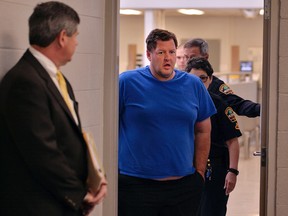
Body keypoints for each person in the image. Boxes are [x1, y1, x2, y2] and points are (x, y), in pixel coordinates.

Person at [0, 2, 107, 216]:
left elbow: (69, 139)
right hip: (38, 205)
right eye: (75, 36)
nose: (77, 43)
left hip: (59, 200)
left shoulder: (56, 78)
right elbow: (41, 151)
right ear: (62, 37)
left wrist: (92, 178)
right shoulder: (25, 81)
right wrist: (78, 194)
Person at [118, 28, 217, 216]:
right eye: (161, 52)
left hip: (183, 186)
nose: (168, 58)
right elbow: (108, 127)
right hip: (135, 186)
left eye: (172, 52)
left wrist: (199, 173)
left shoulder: (193, 84)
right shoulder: (127, 82)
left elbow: (203, 130)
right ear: (149, 54)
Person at [185, 57, 242, 216]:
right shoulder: (181, 104)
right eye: (193, 79)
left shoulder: (219, 104)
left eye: (203, 78)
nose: (198, 84)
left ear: (210, 79)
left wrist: (233, 171)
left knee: (212, 210)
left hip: (215, 169)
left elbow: (232, 141)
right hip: (187, 168)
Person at [183, 38, 260, 117]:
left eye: (193, 57)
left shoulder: (216, 85)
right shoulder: (177, 81)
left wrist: (261, 109)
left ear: (205, 57)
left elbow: (238, 104)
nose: (188, 61)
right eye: (185, 57)